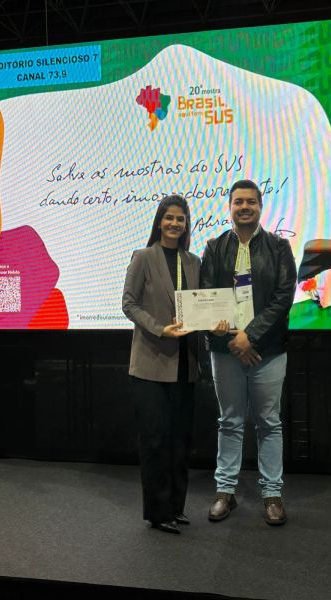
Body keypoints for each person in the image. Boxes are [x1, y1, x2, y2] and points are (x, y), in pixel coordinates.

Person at [200, 179, 297, 526]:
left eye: (250, 202)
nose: (244, 207)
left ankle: (272, 494)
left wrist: (250, 337)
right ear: (230, 207)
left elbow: (283, 298)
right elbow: (207, 295)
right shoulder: (214, 247)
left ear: (260, 207)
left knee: (269, 423)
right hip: (226, 351)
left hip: (268, 352)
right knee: (229, 421)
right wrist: (231, 338)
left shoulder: (279, 247)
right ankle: (225, 491)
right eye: (238, 202)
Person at [122, 194, 200, 535]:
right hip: (151, 365)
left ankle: (176, 507)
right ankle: (158, 512)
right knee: (155, 442)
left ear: (186, 225)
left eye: (180, 219)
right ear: (159, 222)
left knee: (180, 442)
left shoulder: (193, 261)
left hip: (185, 365)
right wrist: (159, 328)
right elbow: (129, 303)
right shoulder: (143, 257)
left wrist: (217, 321)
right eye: (169, 218)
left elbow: (200, 305)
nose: (174, 224)